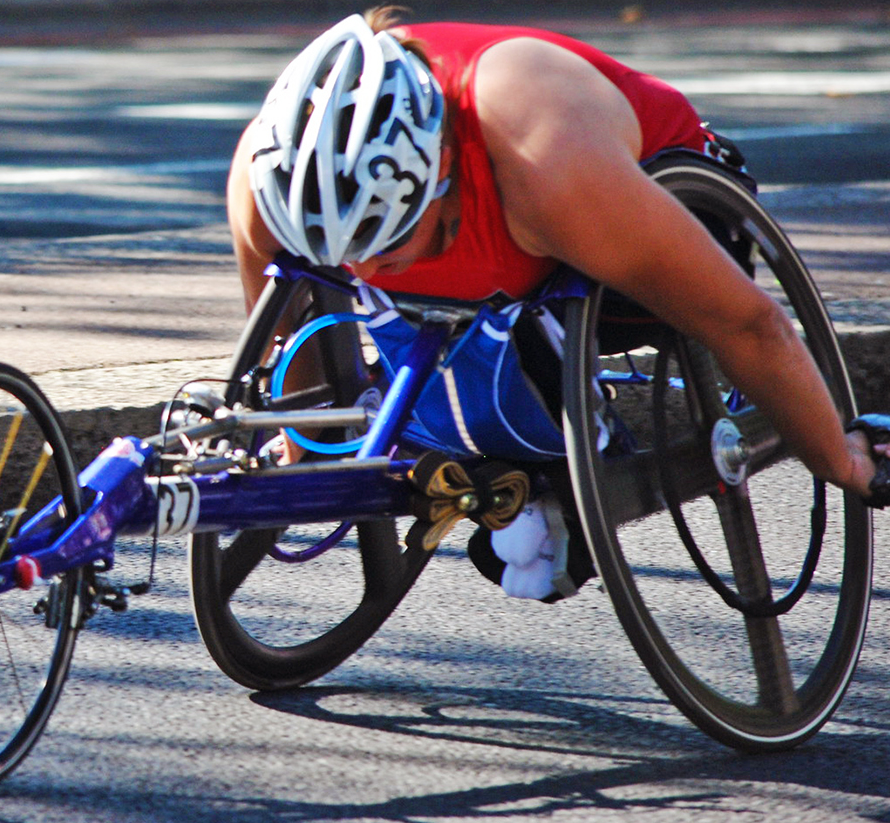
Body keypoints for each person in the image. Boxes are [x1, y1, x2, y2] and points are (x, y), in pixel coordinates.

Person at [225, 9, 890, 594]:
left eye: (388, 239)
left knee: (534, 379)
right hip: (510, 252)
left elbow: (750, 323)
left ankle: (549, 463)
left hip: (650, 213)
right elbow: (288, 354)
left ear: (444, 176)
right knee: (396, 317)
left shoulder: (550, 164)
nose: (363, 268)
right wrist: (300, 439)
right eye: (346, 250)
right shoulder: (267, 178)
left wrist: (841, 456)